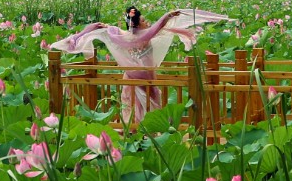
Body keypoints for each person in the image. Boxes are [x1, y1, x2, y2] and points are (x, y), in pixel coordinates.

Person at [50, 7, 232, 125]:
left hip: (136, 77)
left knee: (142, 103)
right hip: (142, 78)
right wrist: (167, 16)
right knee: (146, 103)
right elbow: (156, 28)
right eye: (144, 20)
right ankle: (144, 129)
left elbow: (106, 29)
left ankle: (139, 128)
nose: (148, 23)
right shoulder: (141, 36)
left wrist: (100, 27)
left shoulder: (121, 35)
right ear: (137, 24)